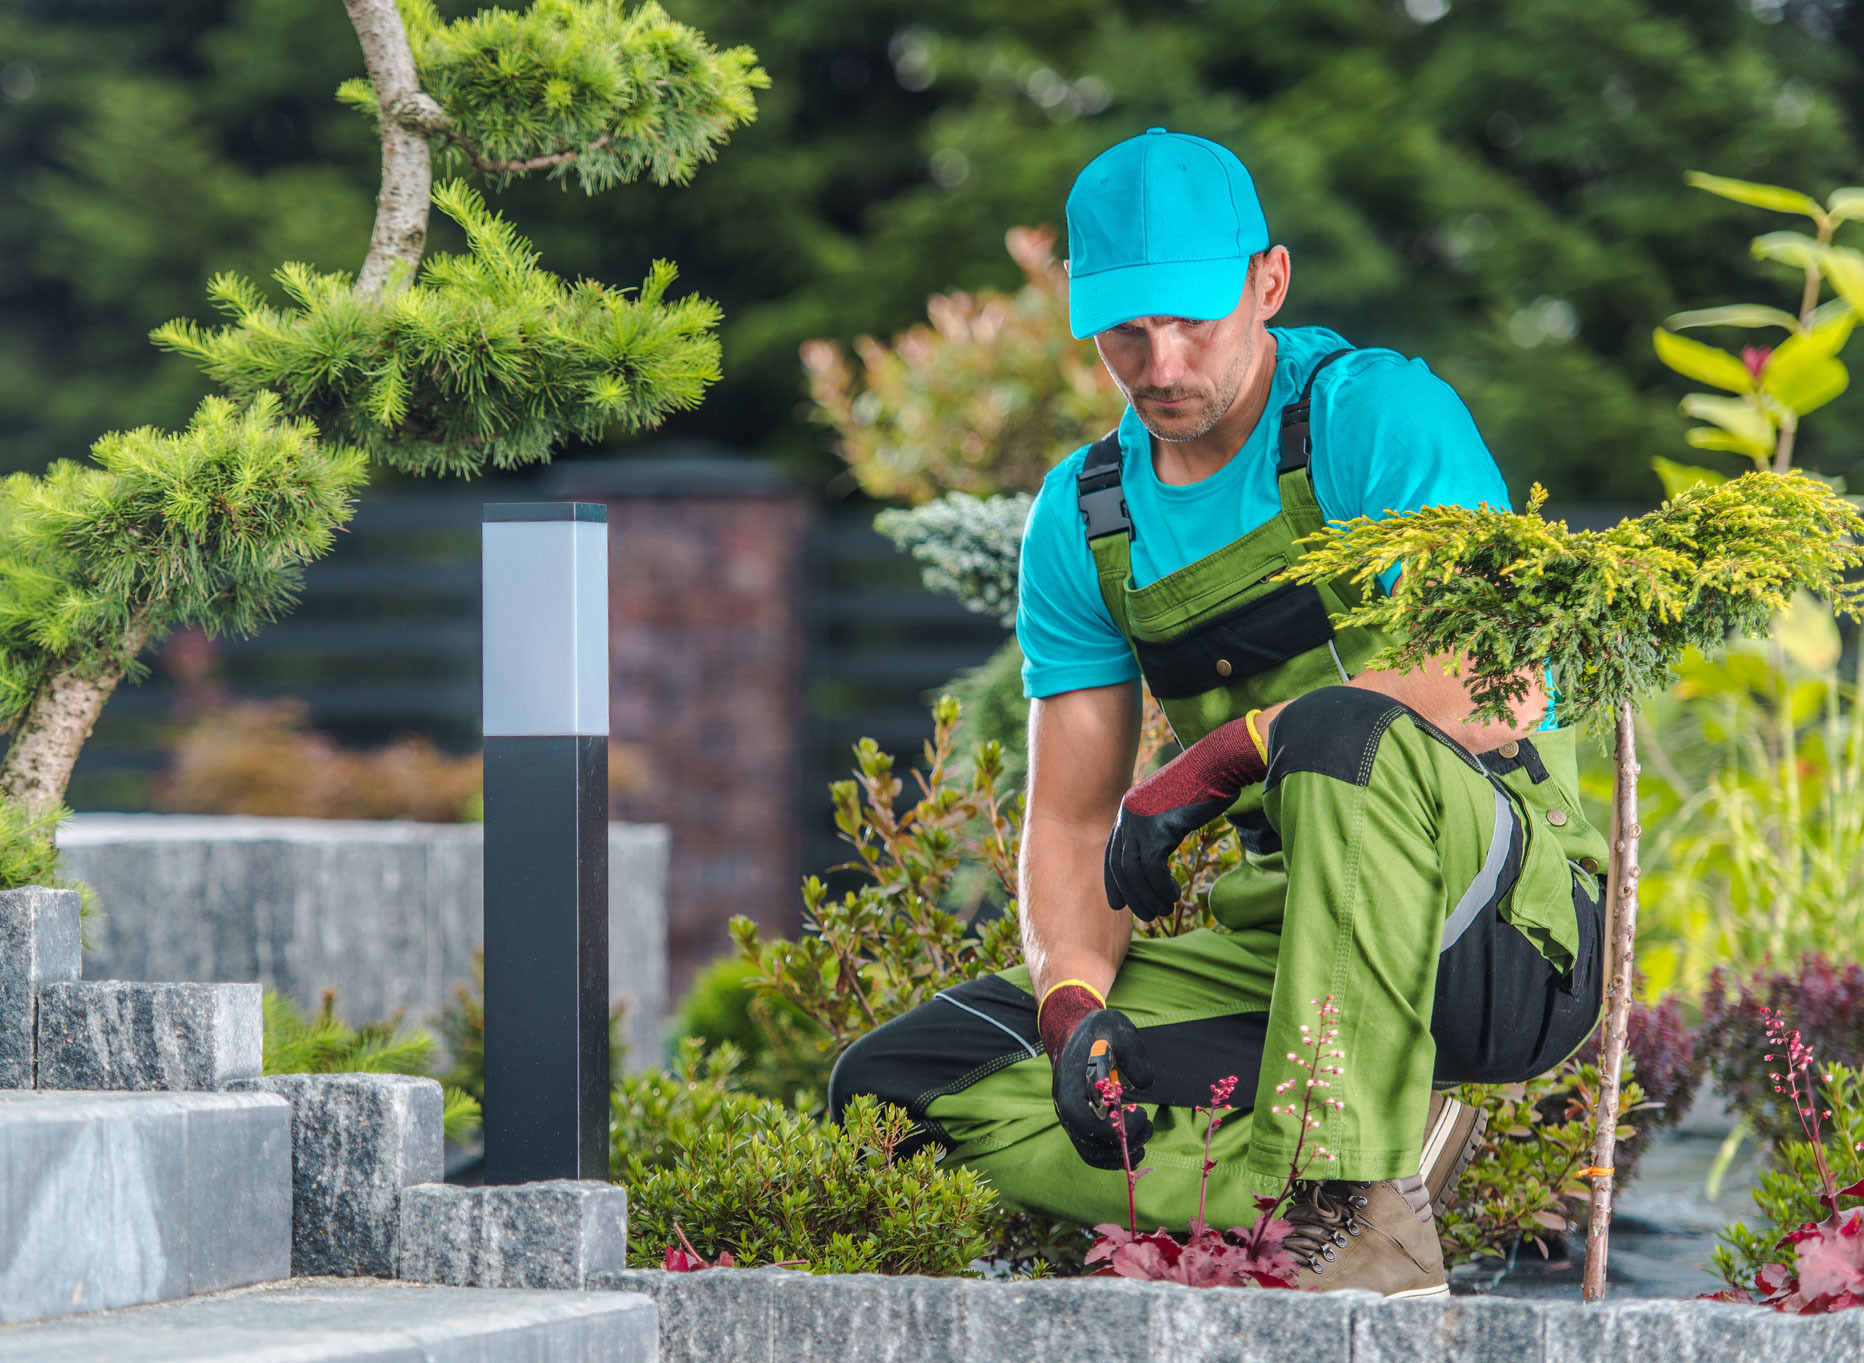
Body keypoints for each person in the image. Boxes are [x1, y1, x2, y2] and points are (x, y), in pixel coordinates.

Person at [829, 128, 1609, 1297]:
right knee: (909, 1085)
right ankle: (1341, 1175)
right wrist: (1072, 1002)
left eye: (1194, 319)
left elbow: (1500, 683)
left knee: (1338, 731)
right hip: (1281, 957)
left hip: (1493, 929)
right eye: (1126, 330)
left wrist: (1234, 746)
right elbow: (1071, 824)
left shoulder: (1370, 416)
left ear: (1269, 282)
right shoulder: (1086, 518)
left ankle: (1359, 1217)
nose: (1160, 361)